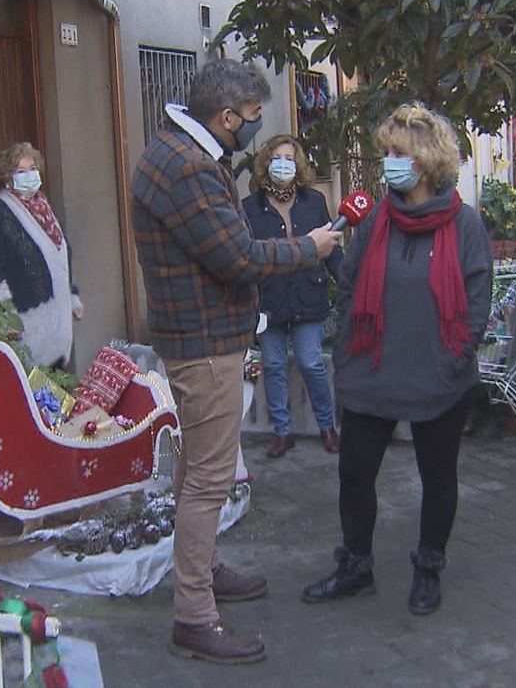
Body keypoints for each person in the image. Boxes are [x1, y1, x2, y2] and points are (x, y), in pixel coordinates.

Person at [131, 59, 343, 665]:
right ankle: (194, 616)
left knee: (197, 467)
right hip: (205, 344)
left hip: (196, 335)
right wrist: (311, 247)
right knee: (209, 478)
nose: (255, 131)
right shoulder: (189, 168)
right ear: (227, 117)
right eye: (252, 119)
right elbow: (239, 258)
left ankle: (205, 569)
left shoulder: (172, 151)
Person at [301, 103, 493, 617]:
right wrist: (345, 348)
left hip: (438, 375)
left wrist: (455, 361)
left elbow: (477, 303)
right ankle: (355, 567)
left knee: (439, 478)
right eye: (385, 152)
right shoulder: (374, 221)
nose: (388, 162)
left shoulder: (465, 225)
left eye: (399, 154)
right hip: (373, 369)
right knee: (355, 474)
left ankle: (428, 568)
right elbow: (350, 286)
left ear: (427, 161)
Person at [243, 135, 342, 458]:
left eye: (289, 157)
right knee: (272, 365)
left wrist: (347, 284)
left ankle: (328, 427)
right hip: (269, 301)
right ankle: (282, 433)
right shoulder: (250, 208)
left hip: (307, 295)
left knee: (311, 362)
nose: (283, 163)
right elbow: (246, 257)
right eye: (276, 157)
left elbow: (330, 249)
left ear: (297, 164)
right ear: (265, 164)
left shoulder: (313, 201)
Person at [0, 142, 83, 368]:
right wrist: (7, 327)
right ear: (7, 177)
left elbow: (59, 259)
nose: (29, 175)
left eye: (32, 169)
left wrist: (72, 297)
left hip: (58, 338)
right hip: (26, 342)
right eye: (20, 171)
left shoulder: (43, 209)